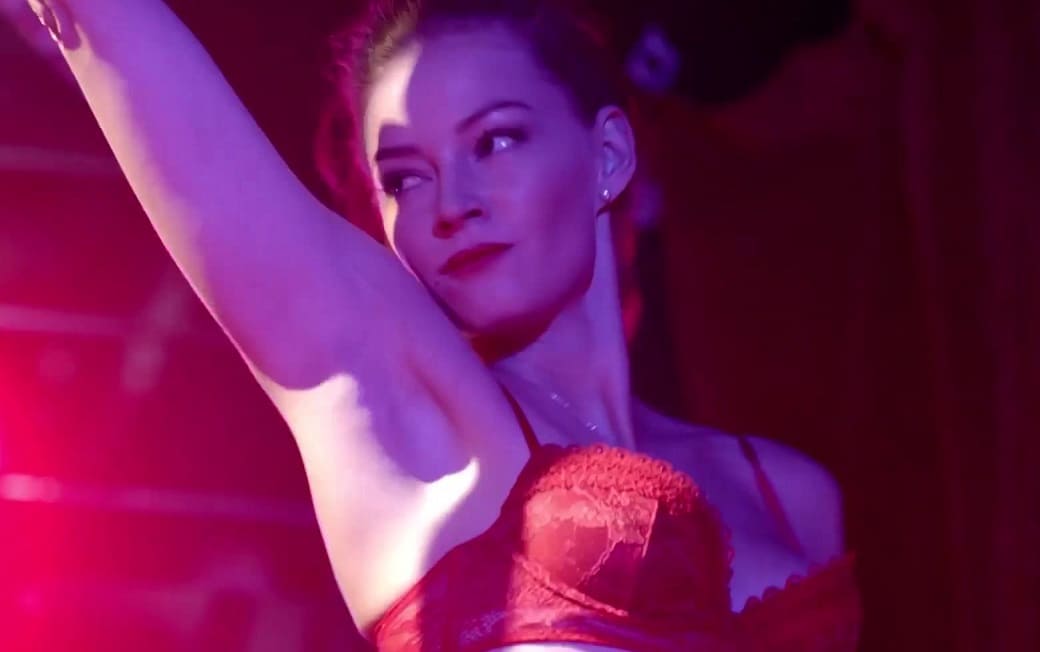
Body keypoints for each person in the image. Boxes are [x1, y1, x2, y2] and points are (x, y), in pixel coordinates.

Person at [22, 0, 861, 649]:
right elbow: (143, 62)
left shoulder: (787, 492)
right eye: (405, 178)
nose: (451, 204)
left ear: (607, 156)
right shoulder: (416, 430)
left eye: (493, 143)